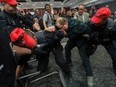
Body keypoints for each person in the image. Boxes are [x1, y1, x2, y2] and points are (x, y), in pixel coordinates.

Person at [0, 0, 46, 78]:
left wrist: (40, 31)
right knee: (14, 68)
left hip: (22, 42)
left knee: (23, 61)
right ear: (3, 4)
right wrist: (31, 51)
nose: (15, 7)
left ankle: (22, 72)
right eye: (12, 5)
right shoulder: (2, 18)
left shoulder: (17, 14)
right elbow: (8, 43)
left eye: (16, 5)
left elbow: (29, 22)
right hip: (12, 48)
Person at [55, 17, 93, 87]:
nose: (61, 30)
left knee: (84, 57)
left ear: (65, 23)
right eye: (60, 28)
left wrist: (87, 35)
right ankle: (68, 63)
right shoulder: (65, 25)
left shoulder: (77, 24)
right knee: (67, 48)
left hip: (82, 41)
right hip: (73, 39)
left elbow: (89, 30)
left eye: (62, 27)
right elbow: (69, 35)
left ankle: (89, 76)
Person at [87, 7, 116, 75]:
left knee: (114, 55)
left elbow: (113, 37)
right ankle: (85, 61)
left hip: (107, 40)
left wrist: (106, 38)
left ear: (105, 19)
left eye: (98, 20)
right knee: (88, 51)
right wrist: (93, 36)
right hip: (95, 40)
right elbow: (87, 30)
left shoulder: (112, 26)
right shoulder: (91, 23)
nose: (95, 22)